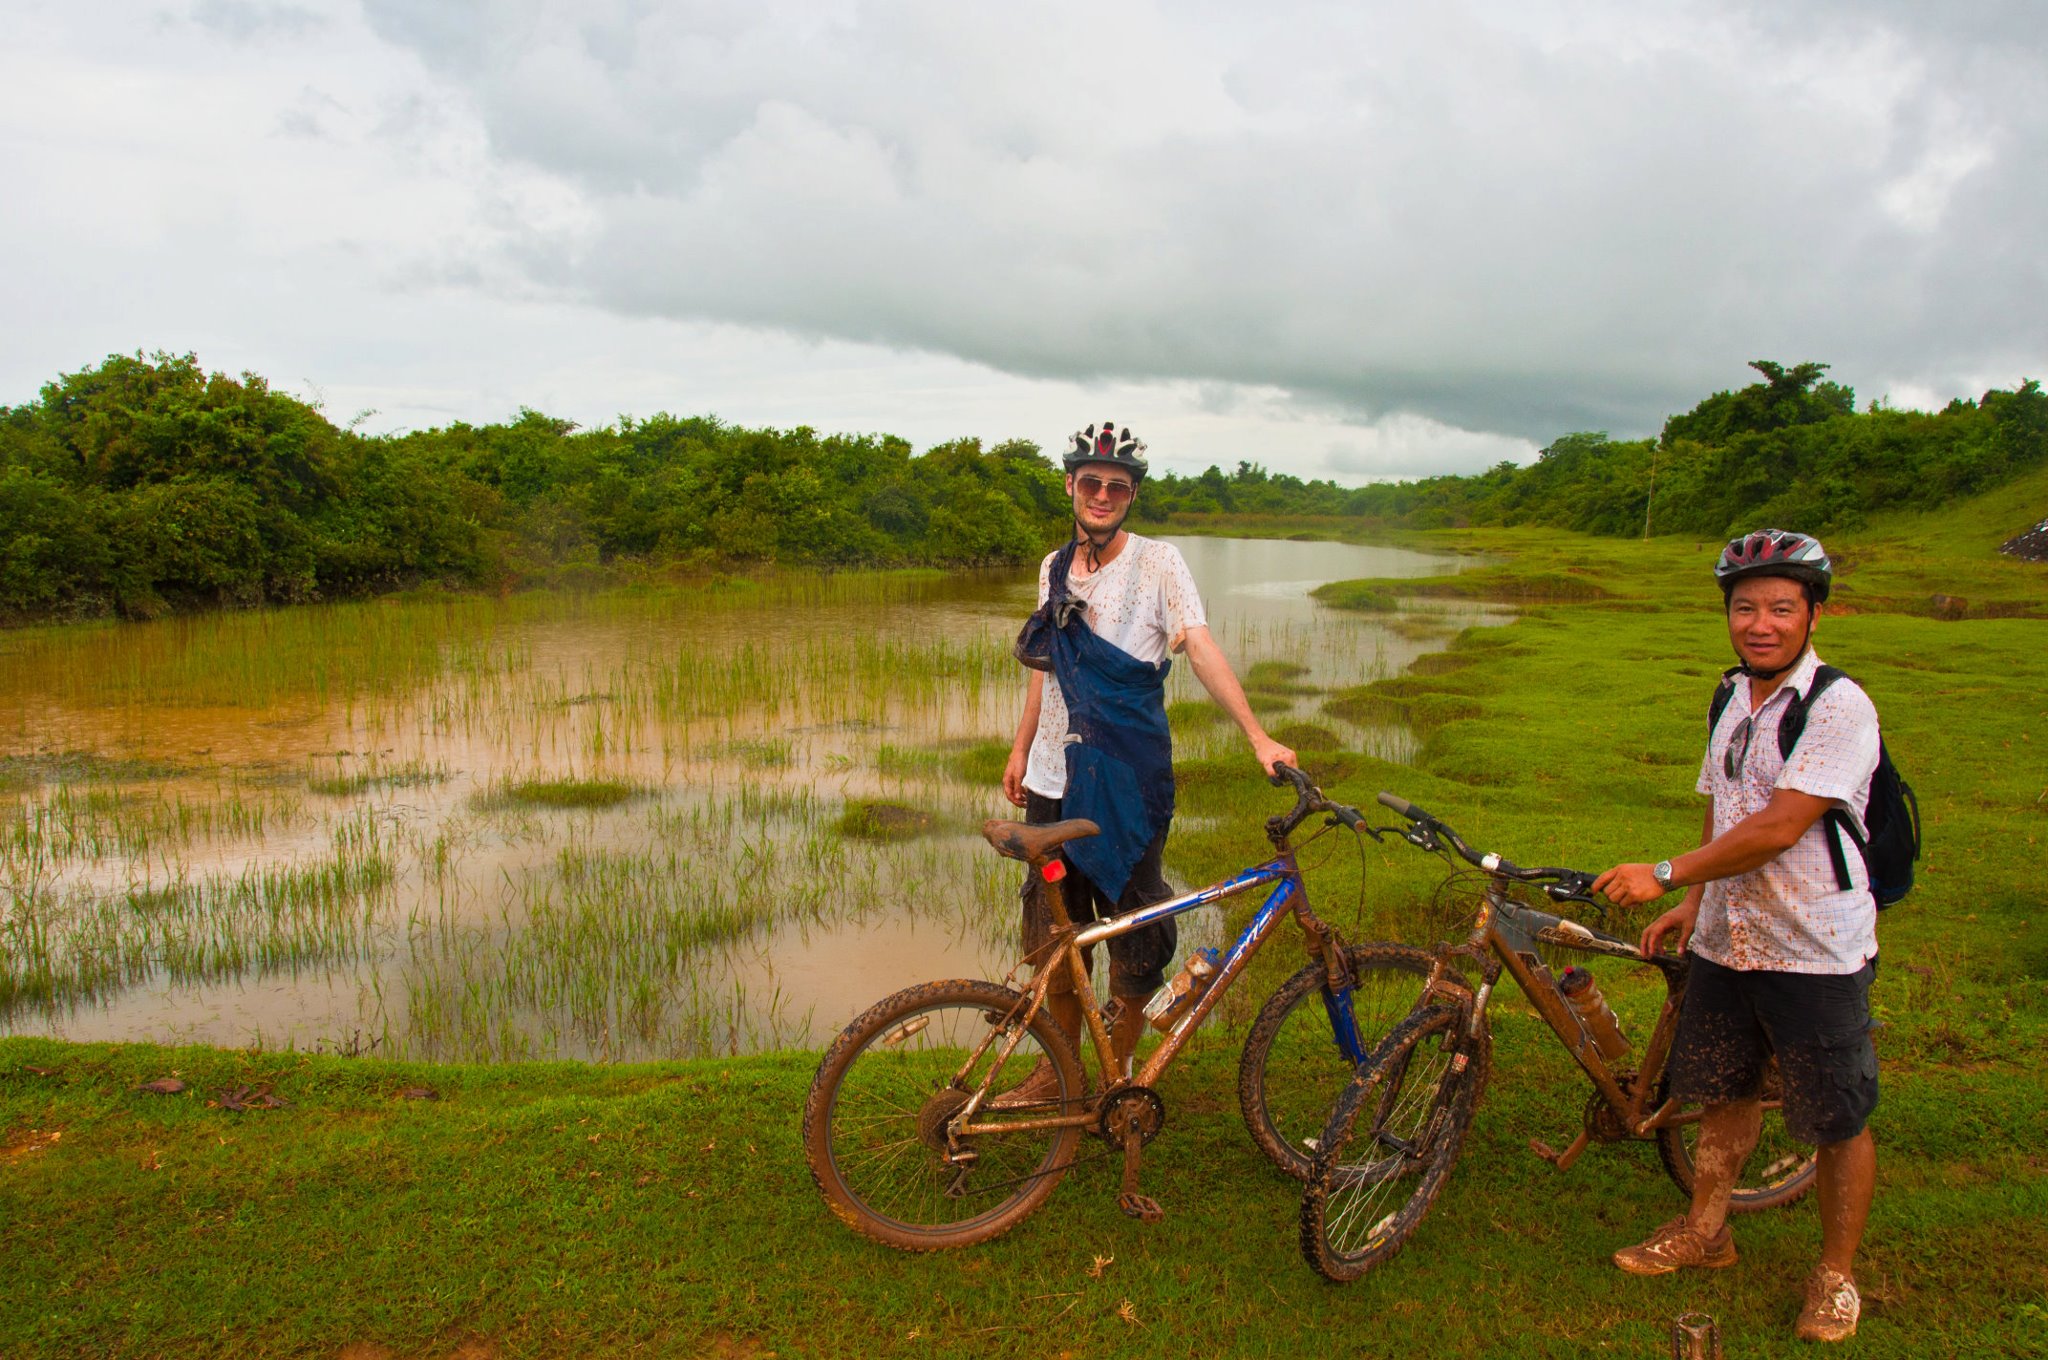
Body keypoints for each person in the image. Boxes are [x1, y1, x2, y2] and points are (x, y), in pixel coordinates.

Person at [1594, 528, 1881, 1345]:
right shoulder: (1730, 696)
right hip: (1729, 937)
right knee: (1723, 1089)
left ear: (1814, 614)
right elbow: (1725, 808)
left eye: (1782, 608)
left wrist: (1669, 873)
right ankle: (1707, 1229)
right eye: (1746, 606)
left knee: (1837, 1116)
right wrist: (1698, 903)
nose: (1761, 622)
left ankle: (1835, 1275)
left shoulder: (1838, 707)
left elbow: (1783, 825)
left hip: (1814, 946)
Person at [998, 422, 1295, 1096]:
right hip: (1052, 779)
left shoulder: (1160, 562)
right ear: (1071, 486)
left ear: (1130, 496)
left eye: (1116, 487)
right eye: (1091, 482)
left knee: (1135, 928)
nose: (1101, 495)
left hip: (1129, 779)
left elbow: (1200, 644)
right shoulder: (1051, 567)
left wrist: (1258, 735)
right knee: (1056, 936)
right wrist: (1019, 749)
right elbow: (1045, 670)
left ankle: (1118, 1071)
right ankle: (1062, 1073)